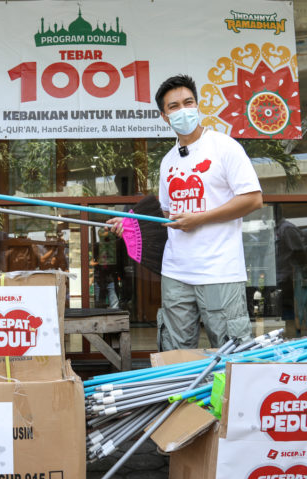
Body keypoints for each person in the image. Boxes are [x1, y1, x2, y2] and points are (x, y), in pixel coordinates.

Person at [109, 74, 263, 350]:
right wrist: (131, 223)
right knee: (175, 352)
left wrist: (200, 218)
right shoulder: (168, 161)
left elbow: (253, 199)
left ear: (197, 105)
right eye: (174, 106)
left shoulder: (224, 146)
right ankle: (183, 396)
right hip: (176, 271)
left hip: (220, 271)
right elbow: (168, 217)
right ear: (164, 116)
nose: (183, 110)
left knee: (230, 349)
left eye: (188, 102)